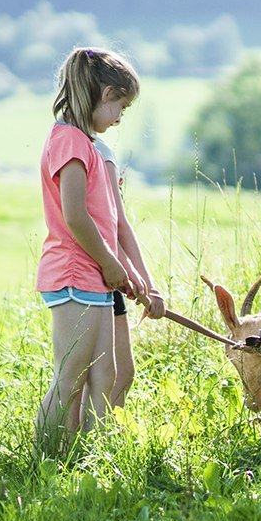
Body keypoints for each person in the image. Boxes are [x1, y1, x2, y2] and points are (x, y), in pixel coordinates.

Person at [32, 47, 141, 453]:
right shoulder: (69, 142)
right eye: (120, 107)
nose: (119, 118)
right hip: (76, 274)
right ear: (105, 92)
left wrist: (113, 270)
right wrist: (112, 264)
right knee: (71, 377)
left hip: (92, 278)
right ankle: (47, 462)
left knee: (105, 376)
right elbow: (75, 216)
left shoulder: (83, 143)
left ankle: (90, 459)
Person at [92, 136, 164, 413]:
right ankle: (80, 446)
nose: (120, 119)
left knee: (121, 373)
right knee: (102, 376)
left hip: (112, 275)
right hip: (95, 276)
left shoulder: (99, 150)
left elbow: (115, 224)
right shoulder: (99, 154)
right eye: (120, 107)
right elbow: (108, 228)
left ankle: (102, 442)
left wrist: (144, 283)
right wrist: (137, 279)